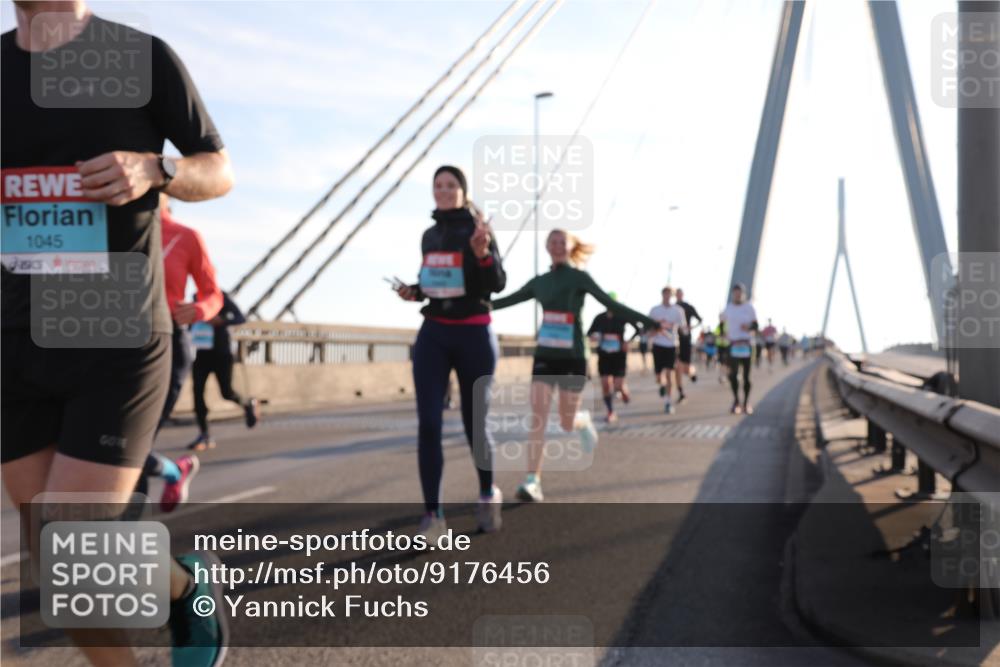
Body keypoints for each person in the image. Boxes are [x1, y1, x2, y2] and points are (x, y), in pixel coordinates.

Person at [1, 4, 233, 666]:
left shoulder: (139, 57)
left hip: (116, 334)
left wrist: (156, 170)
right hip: (13, 337)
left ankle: (185, 590)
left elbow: (218, 169)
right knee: (64, 565)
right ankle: (181, 586)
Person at [492, 230, 657, 502]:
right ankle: (532, 481)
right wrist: (468, 305)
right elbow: (504, 302)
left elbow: (610, 303)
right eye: (552, 242)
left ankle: (581, 421)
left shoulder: (579, 277)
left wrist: (649, 322)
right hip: (545, 354)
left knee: (566, 421)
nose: (557, 246)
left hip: (573, 356)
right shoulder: (540, 282)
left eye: (562, 242)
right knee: (539, 418)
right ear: (546, 247)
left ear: (570, 247)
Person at [395, 165, 506, 538]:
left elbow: (496, 284)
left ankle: (488, 493)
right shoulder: (429, 235)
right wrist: (414, 291)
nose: (443, 191)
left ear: (463, 191)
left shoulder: (478, 229)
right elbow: (434, 283)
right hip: (433, 335)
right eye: (438, 185)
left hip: (474, 335)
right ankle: (433, 515)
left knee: (476, 424)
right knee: (429, 424)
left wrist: (482, 253)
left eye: (451, 185)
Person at [137, 193, 225, 513]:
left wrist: (200, 309)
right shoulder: (110, 229)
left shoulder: (186, 237)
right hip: (116, 343)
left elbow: (213, 294)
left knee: (132, 445)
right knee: (106, 444)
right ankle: (175, 471)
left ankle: (122, 543)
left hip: (168, 345)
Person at [188, 291, 261, 451]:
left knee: (226, 392)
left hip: (222, 353)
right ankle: (204, 434)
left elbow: (240, 317)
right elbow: (190, 322)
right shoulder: (195, 298)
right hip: (202, 352)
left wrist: (221, 320)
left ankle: (248, 404)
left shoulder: (221, 296)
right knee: (197, 392)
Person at [586, 292, 638, 423]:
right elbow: (589, 333)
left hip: (619, 355)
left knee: (618, 385)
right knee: (605, 384)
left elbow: (638, 328)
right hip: (604, 354)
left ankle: (624, 393)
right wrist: (594, 336)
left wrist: (628, 341)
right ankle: (610, 411)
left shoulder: (622, 316)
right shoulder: (599, 318)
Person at [720, 283, 759, 414]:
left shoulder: (749, 307)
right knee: (732, 375)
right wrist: (722, 334)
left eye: (740, 292)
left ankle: (746, 403)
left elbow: (756, 326)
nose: (737, 295)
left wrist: (748, 328)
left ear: (743, 294)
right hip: (733, 344)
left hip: (747, 344)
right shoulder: (728, 308)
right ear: (733, 294)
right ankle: (736, 401)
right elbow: (721, 324)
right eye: (735, 292)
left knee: (747, 376)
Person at [648, 286, 687, 413]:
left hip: (671, 345)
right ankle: (662, 385)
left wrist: (686, 335)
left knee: (670, 373)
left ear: (673, 296)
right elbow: (649, 326)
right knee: (659, 376)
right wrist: (652, 333)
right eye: (665, 294)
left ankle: (668, 402)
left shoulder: (678, 311)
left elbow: (683, 327)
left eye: (670, 294)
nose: (667, 296)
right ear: (662, 294)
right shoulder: (655, 310)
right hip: (658, 345)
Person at [674, 288, 702, 385]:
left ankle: (692, 373)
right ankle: (680, 391)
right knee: (677, 366)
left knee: (686, 367)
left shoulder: (689, 307)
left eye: (680, 293)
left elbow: (700, 320)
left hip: (686, 338)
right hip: (674, 339)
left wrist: (691, 327)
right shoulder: (672, 307)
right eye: (677, 294)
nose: (678, 295)